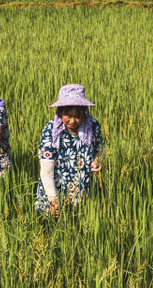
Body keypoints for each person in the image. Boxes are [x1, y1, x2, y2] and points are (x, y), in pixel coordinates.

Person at [34, 84, 103, 217]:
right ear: (60, 112)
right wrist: (53, 198)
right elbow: (46, 169)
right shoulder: (51, 130)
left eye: (77, 116)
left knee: (81, 220)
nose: (72, 121)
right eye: (67, 115)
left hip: (82, 186)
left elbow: (100, 148)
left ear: (84, 112)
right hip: (55, 187)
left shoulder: (93, 126)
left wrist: (97, 160)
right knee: (55, 225)